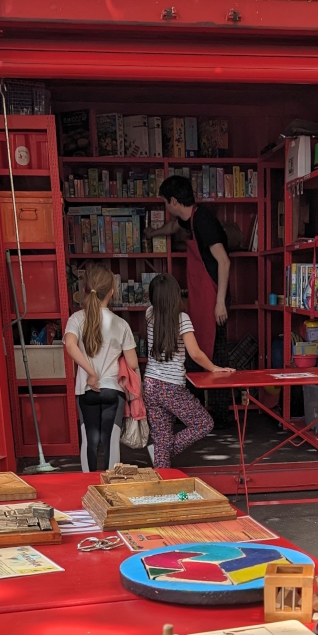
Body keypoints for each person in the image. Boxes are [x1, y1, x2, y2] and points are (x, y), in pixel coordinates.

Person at [143, 274, 234, 468]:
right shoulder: (182, 319)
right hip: (171, 387)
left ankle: (161, 457)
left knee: (162, 436)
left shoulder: (149, 314)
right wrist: (215, 368)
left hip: (150, 384)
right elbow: (195, 353)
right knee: (203, 423)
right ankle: (162, 453)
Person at [64, 262, 139, 471]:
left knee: (89, 440)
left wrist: (90, 373)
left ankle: (86, 485)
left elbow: (70, 345)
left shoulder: (77, 319)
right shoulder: (121, 324)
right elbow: (132, 363)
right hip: (113, 391)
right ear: (112, 292)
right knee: (110, 441)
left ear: (86, 289)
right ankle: (110, 487)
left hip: (86, 390)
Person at [150, 175, 230, 362]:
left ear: (174, 201)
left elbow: (224, 262)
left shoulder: (203, 221)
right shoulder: (188, 218)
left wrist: (220, 303)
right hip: (202, 294)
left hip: (215, 295)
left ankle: (219, 392)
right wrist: (151, 234)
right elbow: (172, 227)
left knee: (216, 354)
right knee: (200, 347)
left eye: (165, 202)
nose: (166, 207)